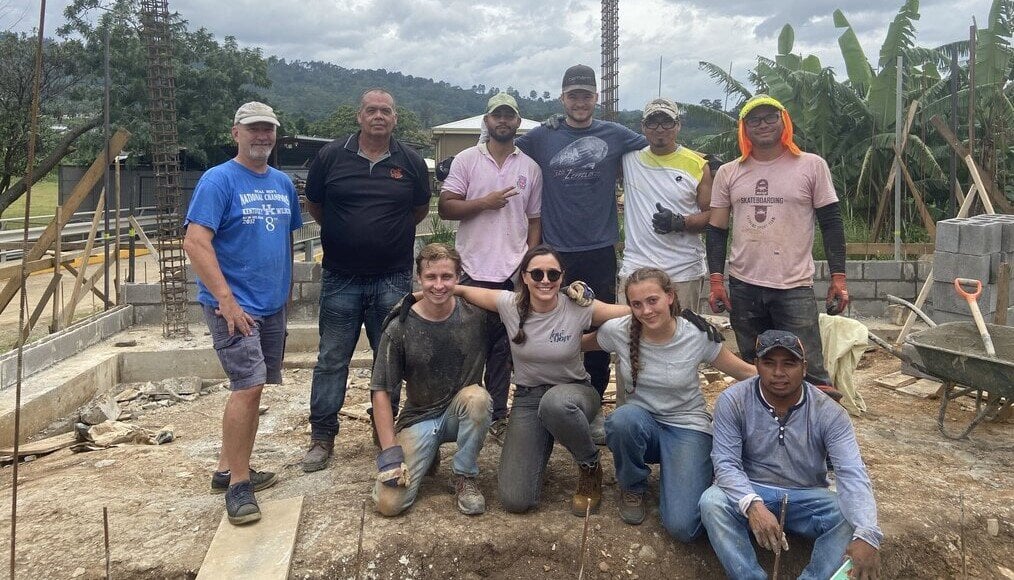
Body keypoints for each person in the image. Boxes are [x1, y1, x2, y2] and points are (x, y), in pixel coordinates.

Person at [183, 102, 302, 525]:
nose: (262, 136)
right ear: (236, 132)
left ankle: (226, 468)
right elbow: (195, 242)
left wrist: (286, 290)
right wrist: (226, 300)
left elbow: (287, 241)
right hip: (233, 306)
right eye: (253, 129)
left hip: (271, 305)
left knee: (256, 386)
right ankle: (238, 485)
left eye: (268, 129)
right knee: (247, 386)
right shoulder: (218, 180)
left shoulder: (283, 183)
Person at [515, 64, 647, 440]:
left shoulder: (616, 134)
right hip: (554, 256)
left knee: (599, 327)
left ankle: (590, 405)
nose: (579, 102)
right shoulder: (542, 136)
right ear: (562, 98)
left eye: (586, 95)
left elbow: (656, 149)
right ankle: (551, 402)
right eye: (572, 95)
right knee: (551, 325)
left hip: (599, 249)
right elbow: (506, 149)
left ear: (595, 98)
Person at [302, 89, 432, 472]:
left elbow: (419, 209)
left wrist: (383, 235)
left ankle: (384, 434)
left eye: (386, 111)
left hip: (392, 279)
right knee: (330, 359)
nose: (379, 116)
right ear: (359, 116)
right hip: (341, 277)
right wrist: (348, 234)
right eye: (372, 110)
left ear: (395, 119)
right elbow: (315, 204)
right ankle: (322, 436)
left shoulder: (408, 160)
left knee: (388, 360)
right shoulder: (330, 156)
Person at [452, 245, 629, 516]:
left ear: (562, 277)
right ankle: (542, 437)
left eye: (552, 274)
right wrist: (435, 291)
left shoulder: (577, 306)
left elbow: (628, 312)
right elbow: (467, 291)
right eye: (536, 274)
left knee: (555, 405)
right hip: (528, 398)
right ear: (524, 277)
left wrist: (667, 309)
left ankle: (590, 466)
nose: (545, 280)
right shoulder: (510, 305)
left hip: (575, 393)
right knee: (515, 500)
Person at [582, 267, 755, 539]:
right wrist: (539, 330)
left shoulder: (696, 334)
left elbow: (744, 372)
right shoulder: (619, 331)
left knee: (683, 526)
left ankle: (692, 472)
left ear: (670, 297)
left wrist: (799, 383)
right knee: (621, 420)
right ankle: (632, 486)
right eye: (636, 304)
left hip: (687, 427)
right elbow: (578, 344)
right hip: (642, 426)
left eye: (653, 300)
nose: (646, 311)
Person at [699, 329, 882, 580]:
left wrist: (868, 534)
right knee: (712, 502)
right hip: (752, 488)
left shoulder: (829, 411)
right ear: (756, 365)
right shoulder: (734, 400)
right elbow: (725, 462)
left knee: (849, 517)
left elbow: (851, 471)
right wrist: (752, 504)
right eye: (769, 363)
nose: (778, 373)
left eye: (789, 363)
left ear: (804, 367)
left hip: (806, 494)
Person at [706, 94, 849, 396]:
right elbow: (717, 229)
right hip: (744, 286)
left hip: (793, 285)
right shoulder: (730, 173)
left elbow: (832, 224)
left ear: (783, 121)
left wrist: (838, 277)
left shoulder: (811, 166)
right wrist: (717, 280)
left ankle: (818, 434)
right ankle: (763, 429)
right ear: (744, 128)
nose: (763, 124)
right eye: (754, 120)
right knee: (754, 365)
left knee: (807, 366)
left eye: (771, 117)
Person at [438, 92, 543, 444]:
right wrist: (485, 202)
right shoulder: (467, 160)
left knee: (502, 350)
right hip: (471, 269)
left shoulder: (529, 167)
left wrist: (527, 266)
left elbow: (534, 220)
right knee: (467, 347)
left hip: (510, 274)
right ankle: (464, 416)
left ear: (517, 123)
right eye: (497, 116)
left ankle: (498, 417)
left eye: (509, 116)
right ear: (487, 121)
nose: (503, 121)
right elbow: (446, 208)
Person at [371, 243, 492, 516]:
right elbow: (380, 390)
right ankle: (428, 454)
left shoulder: (476, 316)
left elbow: (511, 301)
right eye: (431, 277)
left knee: (477, 399)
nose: (439, 285)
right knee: (389, 505)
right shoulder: (399, 326)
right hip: (420, 418)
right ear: (418, 278)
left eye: (447, 277)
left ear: (458, 278)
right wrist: (390, 455)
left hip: (459, 413)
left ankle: (463, 476)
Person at [619, 98, 712, 314]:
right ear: (643, 127)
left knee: (682, 339)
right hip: (636, 268)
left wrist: (681, 222)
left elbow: (713, 216)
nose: (660, 129)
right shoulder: (628, 160)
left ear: (678, 125)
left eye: (667, 122)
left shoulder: (698, 165)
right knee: (630, 339)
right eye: (653, 122)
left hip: (682, 271)